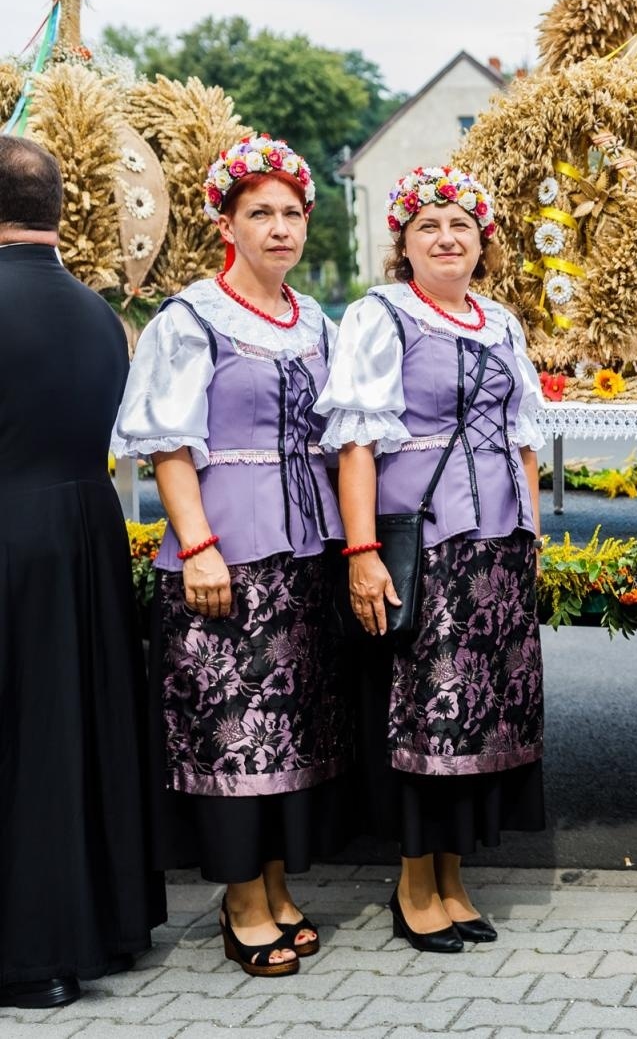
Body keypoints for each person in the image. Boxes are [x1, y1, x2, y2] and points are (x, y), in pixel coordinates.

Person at [112, 135, 347, 978]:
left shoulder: (315, 321)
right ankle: (242, 899)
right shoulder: (191, 320)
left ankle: (276, 882)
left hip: (306, 549)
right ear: (228, 223)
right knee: (232, 729)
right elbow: (168, 443)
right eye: (261, 213)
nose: (280, 228)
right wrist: (200, 545)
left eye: (291, 213)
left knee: (289, 724)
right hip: (227, 554)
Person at [316, 166, 545, 954]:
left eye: (460, 226)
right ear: (404, 243)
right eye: (429, 226)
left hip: (498, 549)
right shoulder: (381, 315)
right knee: (424, 715)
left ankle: (452, 878)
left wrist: (531, 538)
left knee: (479, 716)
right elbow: (356, 442)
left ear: (483, 241)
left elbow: (523, 439)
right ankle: (414, 885)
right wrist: (362, 552)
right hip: (427, 544)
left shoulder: (501, 323)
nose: (447, 239)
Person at [0, 137, 164, 1009]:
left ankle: (31, 957)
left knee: (25, 745)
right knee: (84, 731)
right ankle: (111, 925)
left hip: (11, 535)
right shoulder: (102, 314)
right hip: (89, 531)